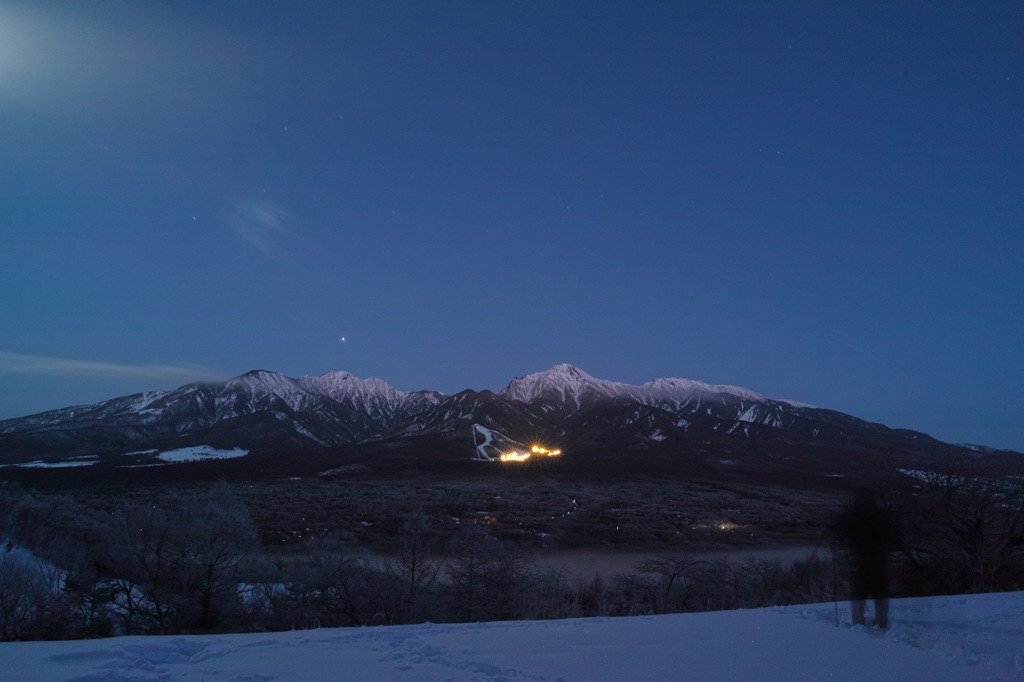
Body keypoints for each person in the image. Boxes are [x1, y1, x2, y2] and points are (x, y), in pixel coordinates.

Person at [833, 488, 895, 628]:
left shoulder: (853, 515)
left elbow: (840, 527)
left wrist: (833, 521)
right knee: (880, 592)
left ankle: (858, 623)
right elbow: (892, 534)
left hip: (860, 560)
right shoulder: (881, 514)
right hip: (879, 560)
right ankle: (881, 621)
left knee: (858, 592)